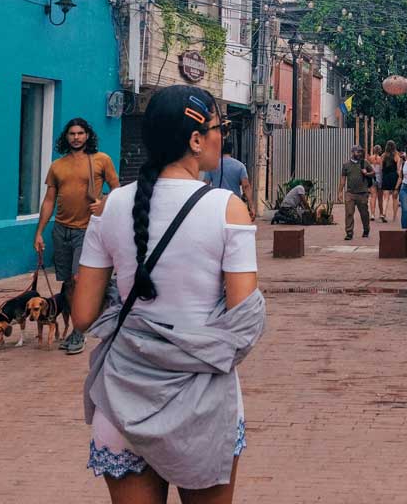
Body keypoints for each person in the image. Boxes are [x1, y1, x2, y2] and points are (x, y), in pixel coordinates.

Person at [72, 85, 262, 504]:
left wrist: (135, 318)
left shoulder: (109, 207)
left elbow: (82, 315)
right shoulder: (228, 208)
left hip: (123, 399)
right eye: (219, 127)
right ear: (195, 140)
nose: (222, 136)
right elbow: (244, 319)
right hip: (203, 403)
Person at [33, 117, 118, 354]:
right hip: (61, 229)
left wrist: (103, 203)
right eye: (72, 134)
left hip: (87, 230)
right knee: (68, 283)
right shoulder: (57, 166)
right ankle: (76, 326)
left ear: (87, 135)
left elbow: (117, 188)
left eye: (80, 133)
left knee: (80, 279)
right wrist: (39, 232)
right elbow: (49, 200)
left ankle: (79, 333)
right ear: (66, 137)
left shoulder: (101, 160)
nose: (76, 137)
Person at [202, 138, 254, 220]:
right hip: (234, 203)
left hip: (217, 204)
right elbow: (246, 186)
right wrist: (251, 206)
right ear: (232, 151)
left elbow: (205, 184)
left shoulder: (212, 165)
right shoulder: (240, 166)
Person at [338, 145, 373, 240]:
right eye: (358, 152)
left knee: (364, 213)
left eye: (361, 152)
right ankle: (349, 232)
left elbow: (373, 173)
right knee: (349, 213)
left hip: (362, 193)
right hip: (350, 193)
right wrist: (340, 192)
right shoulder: (346, 165)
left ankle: (366, 229)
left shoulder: (364, 163)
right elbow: (342, 180)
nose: (360, 154)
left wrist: (367, 173)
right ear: (352, 152)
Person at [380, 140, 401, 222]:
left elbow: (381, 168)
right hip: (394, 177)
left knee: (385, 197)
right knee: (395, 198)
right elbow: (398, 168)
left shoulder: (383, 156)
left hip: (385, 176)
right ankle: (394, 216)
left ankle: (384, 213)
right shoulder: (396, 155)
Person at [367, 145, 386, 223]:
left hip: (372, 178)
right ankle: (381, 214)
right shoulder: (381, 159)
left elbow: (368, 168)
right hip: (379, 178)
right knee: (380, 198)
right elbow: (382, 169)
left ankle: (372, 214)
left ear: (373, 150)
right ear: (380, 151)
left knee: (373, 196)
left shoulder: (369, 158)